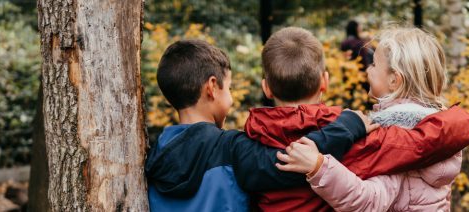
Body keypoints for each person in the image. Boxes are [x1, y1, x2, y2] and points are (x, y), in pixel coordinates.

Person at [242, 27, 469, 211]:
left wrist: (319, 166)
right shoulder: (434, 127)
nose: (367, 69)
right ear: (323, 82)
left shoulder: (395, 133)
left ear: (394, 80)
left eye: (374, 64)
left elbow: (370, 201)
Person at [143, 39, 375, 211]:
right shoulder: (231, 149)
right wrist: (348, 125)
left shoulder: (153, 155)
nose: (231, 97)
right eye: (230, 88)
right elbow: (293, 160)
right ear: (212, 87)